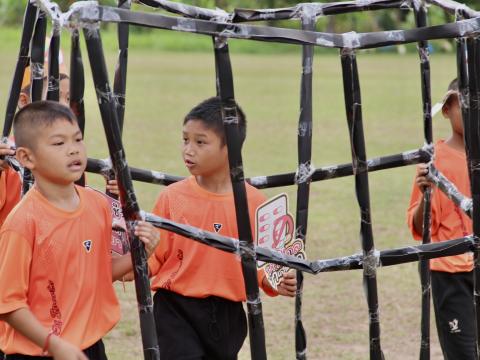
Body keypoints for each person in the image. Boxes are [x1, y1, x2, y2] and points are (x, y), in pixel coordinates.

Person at [0, 101, 159, 359]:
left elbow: (95, 272)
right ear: (26, 157)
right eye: (59, 144)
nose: (73, 150)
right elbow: (7, 304)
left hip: (88, 345)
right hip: (38, 350)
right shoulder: (22, 223)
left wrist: (139, 254)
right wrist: (54, 345)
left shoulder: (97, 205)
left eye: (77, 140)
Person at [148, 97, 297, 359]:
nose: (188, 150)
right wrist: (128, 267)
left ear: (230, 148)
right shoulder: (172, 197)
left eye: (200, 142)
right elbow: (153, 257)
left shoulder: (254, 203)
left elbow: (264, 268)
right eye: (185, 140)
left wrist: (279, 282)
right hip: (174, 309)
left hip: (229, 315)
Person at [407, 79, 476, 359]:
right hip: (449, 272)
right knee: (463, 354)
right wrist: (426, 193)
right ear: (447, 108)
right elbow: (417, 226)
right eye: (465, 105)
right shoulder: (434, 160)